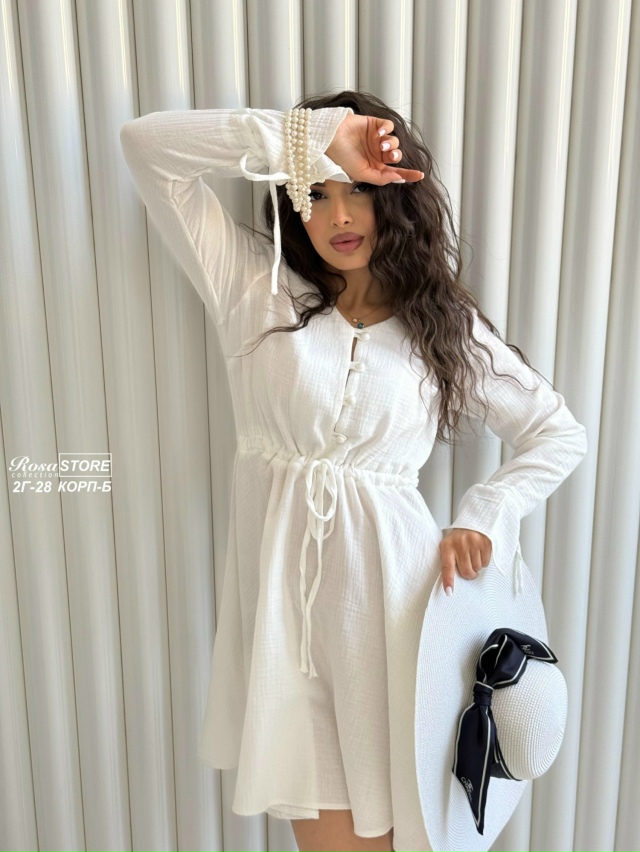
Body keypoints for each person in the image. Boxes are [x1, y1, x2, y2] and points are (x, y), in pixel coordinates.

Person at [119, 89, 587, 852]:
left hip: (406, 622)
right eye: (317, 194)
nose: (338, 216)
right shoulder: (253, 287)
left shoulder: (442, 325)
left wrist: (486, 513)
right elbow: (147, 145)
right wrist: (313, 139)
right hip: (288, 629)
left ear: (393, 201)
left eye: (358, 193)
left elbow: (556, 433)